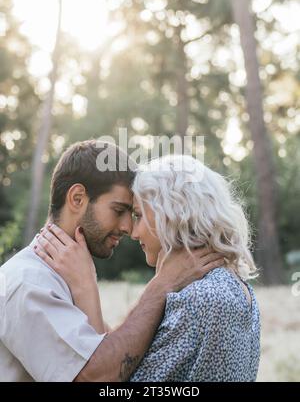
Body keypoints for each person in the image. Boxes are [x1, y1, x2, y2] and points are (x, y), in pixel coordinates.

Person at [0, 141, 223, 382]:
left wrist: (87, 288)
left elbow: (112, 355)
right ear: (77, 198)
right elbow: (96, 378)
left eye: (133, 214)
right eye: (119, 210)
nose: (128, 227)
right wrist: (161, 286)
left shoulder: (64, 274)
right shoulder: (28, 283)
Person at [35, 154, 260, 381]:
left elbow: (111, 378)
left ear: (173, 214)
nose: (133, 232)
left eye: (139, 215)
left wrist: (85, 285)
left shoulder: (198, 299)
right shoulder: (237, 289)